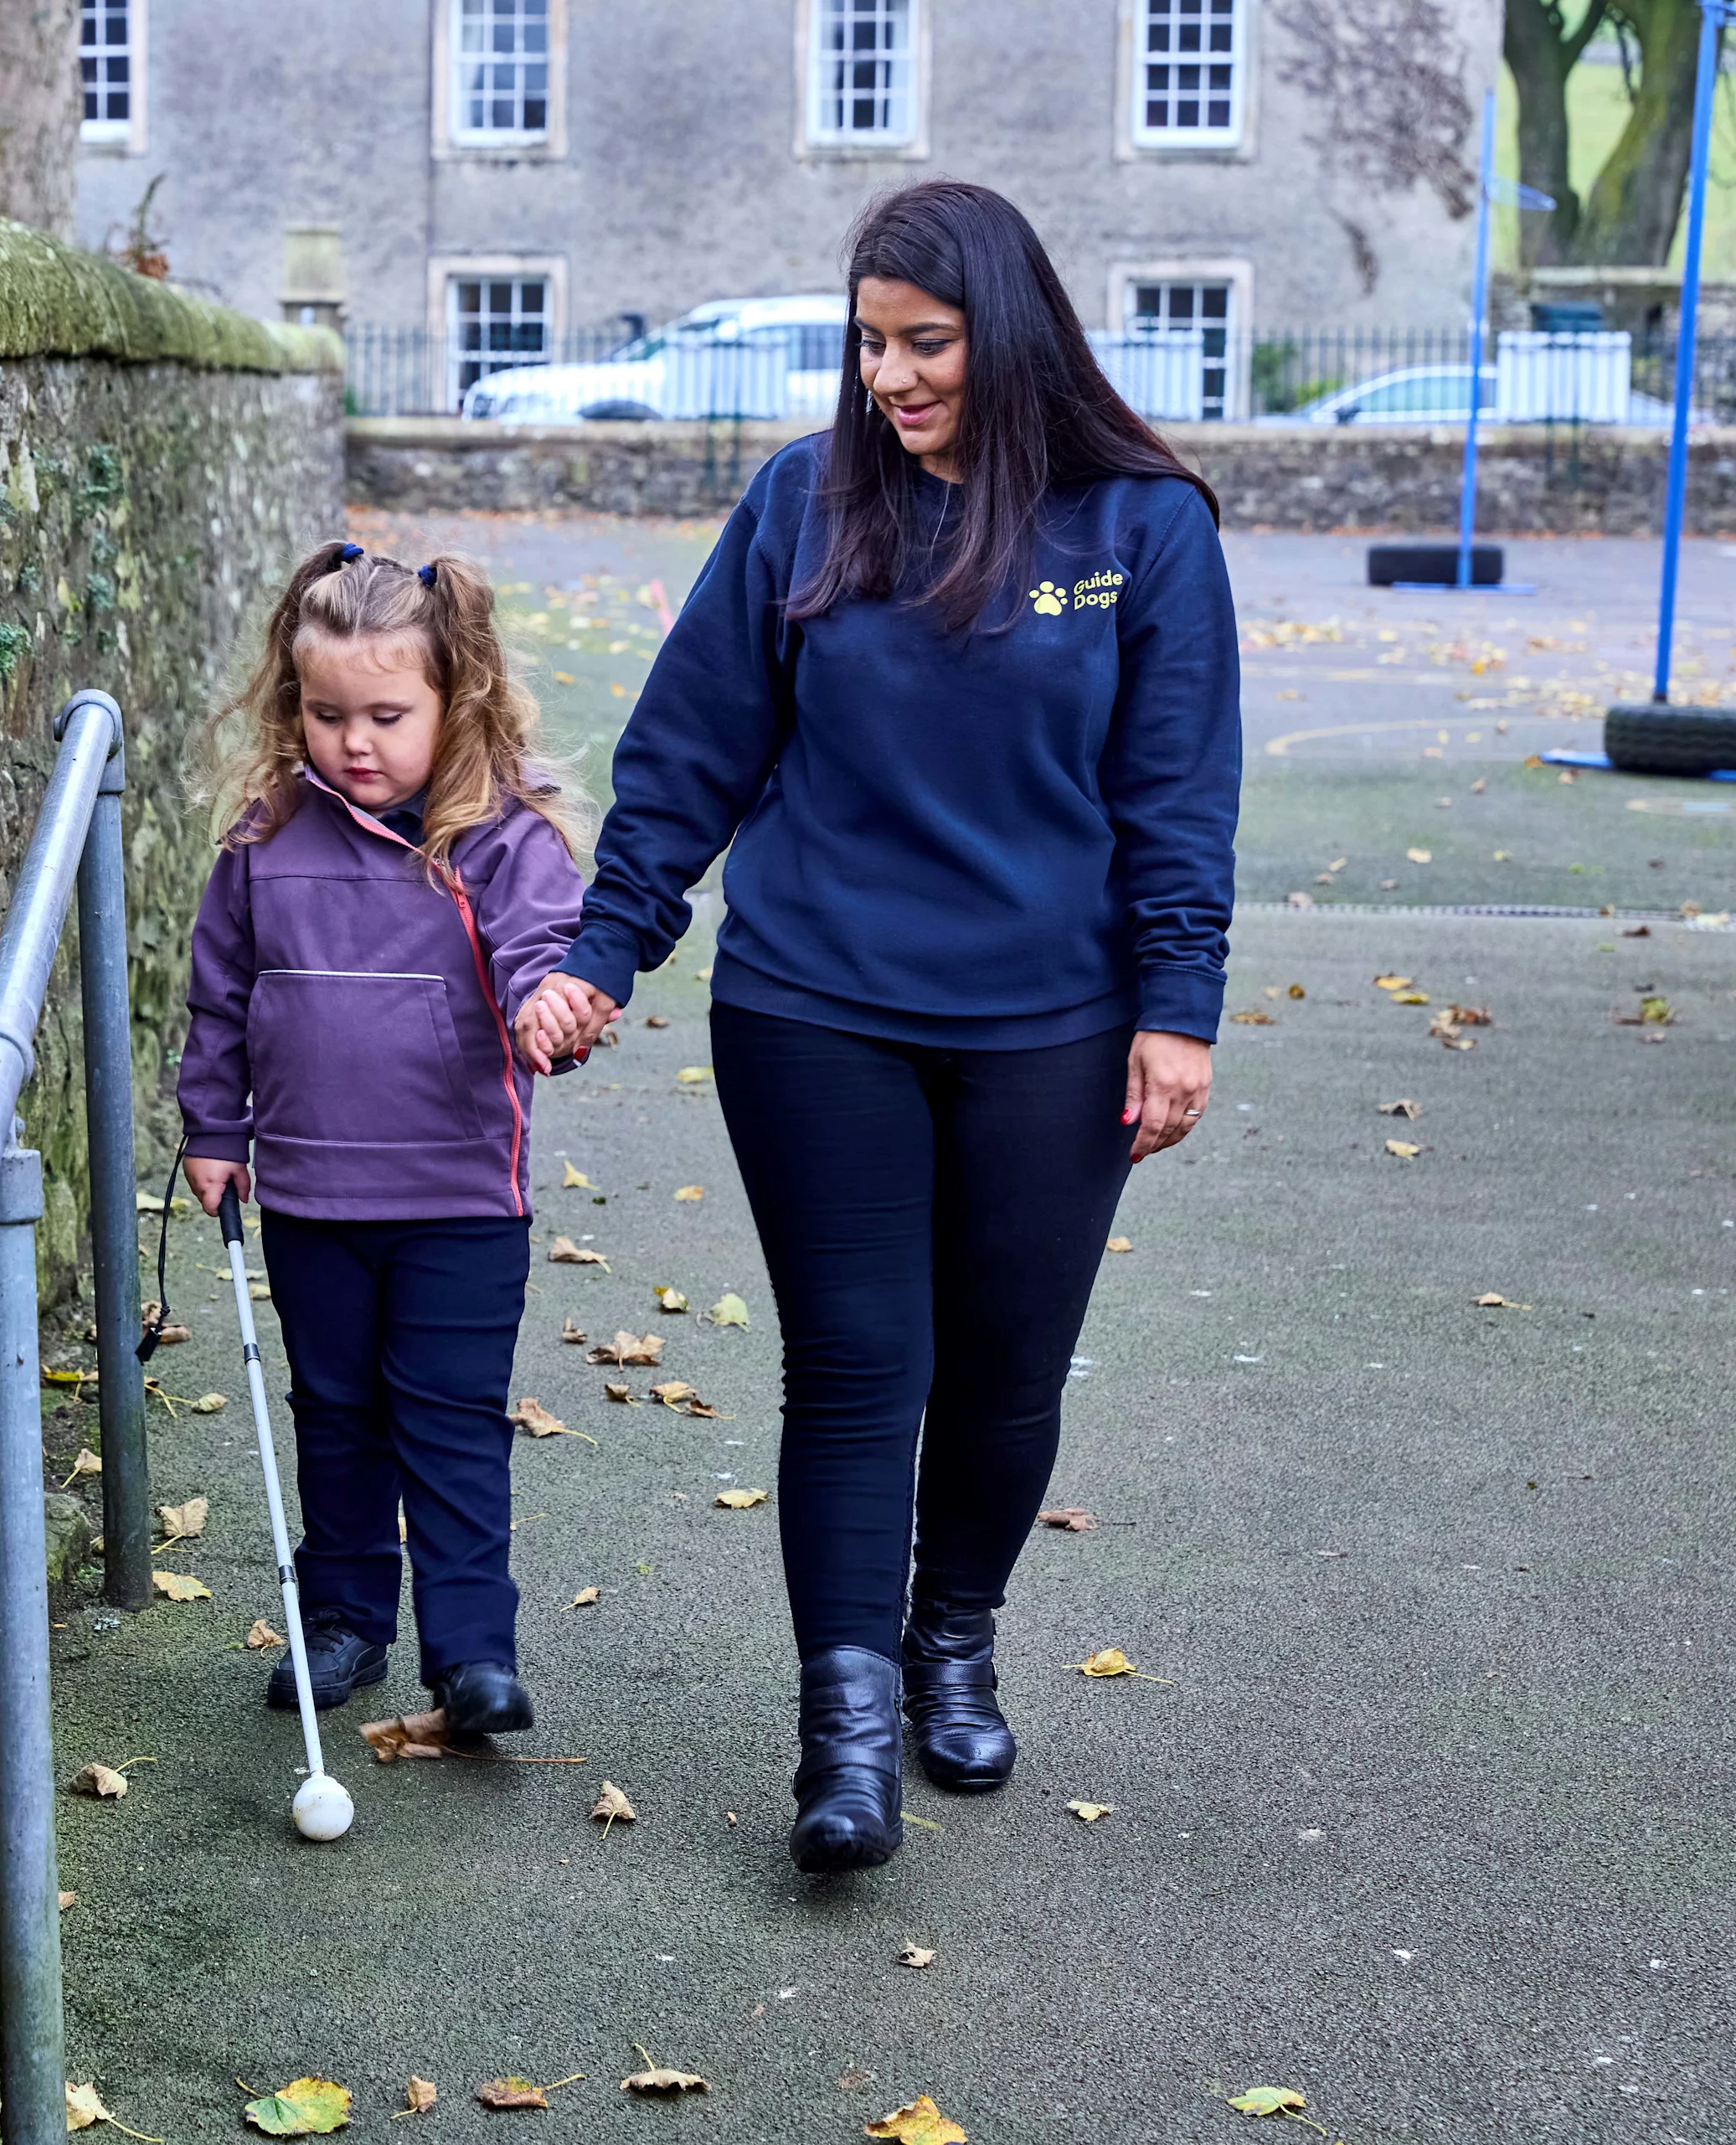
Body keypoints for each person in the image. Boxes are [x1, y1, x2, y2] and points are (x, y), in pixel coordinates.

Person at [518, 181, 1241, 1871]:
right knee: (857, 1366)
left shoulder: (1140, 527)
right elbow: (689, 749)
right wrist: (606, 951)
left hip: (1055, 1023)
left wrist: (1180, 1005)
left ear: (1011, 330)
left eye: (924, 342)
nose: (890, 375)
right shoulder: (802, 507)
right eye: (868, 342)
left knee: (1000, 1373)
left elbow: (1176, 794)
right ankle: (841, 1735)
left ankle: (953, 1638)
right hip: (816, 1004)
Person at [180, 540, 588, 1738]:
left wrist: (549, 1006)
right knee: (338, 1413)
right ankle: (345, 1621)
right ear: (292, 704)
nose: (354, 742)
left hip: (459, 1196)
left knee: (453, 1424)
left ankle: (472, 1653)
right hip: (311, 1197)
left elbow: (542, 956)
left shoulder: (497, 838)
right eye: (326, 714)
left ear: (456, 700)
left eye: (386, 716)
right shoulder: (267, 838)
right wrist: (213, 1124)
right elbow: (220, 995)